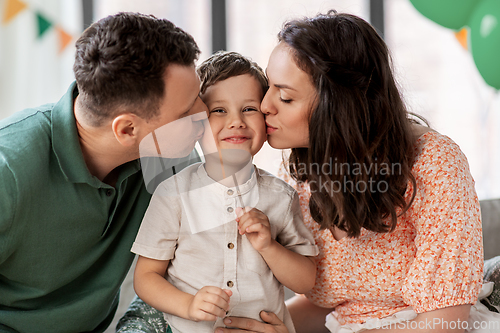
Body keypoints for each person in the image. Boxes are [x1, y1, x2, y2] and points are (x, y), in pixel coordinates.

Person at [215, 10, 500, 333]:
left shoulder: (435, 162)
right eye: (269, 88)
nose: (265, 105)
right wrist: (265, 325)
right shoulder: (303, 171)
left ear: (337, 104)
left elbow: (444, 322)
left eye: (285, 96)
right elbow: (336, 308)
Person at [0, 12, 206, 333]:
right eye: (188, 109)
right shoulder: (8, 170)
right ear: (127, 129)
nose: (205, 112)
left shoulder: (172, 159)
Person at [130, 51, 319, 333]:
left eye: (249, 109)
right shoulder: (174, 193)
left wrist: (269, 246)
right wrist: (189, 305)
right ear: (196, 124)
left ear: (266, 120)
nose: (236, 122)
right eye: (219, 110)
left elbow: (305, 281)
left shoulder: (282, 196)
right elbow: (146, 277)